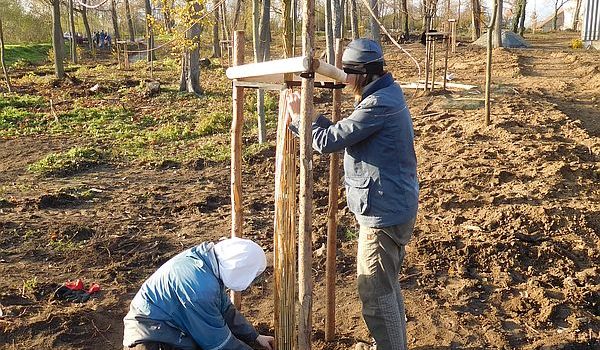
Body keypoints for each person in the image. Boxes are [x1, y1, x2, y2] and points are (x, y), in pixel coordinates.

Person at [286, 38, 419, 350]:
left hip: (383, 214)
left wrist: (298, 118)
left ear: (363, 73)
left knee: (375, 292)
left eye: (347, 72)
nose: (343, 79)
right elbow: (345, 132)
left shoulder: (378, 104)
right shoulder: (386, 93)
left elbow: (329, 141)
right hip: (393, 206)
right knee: (386, 288)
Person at [122, 237, 275, 350]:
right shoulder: (201, 289)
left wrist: (254, 336)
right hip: (151, 340)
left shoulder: (207, 262)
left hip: (165, 329)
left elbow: (226, 310)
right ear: (241, 270)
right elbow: (218, 343)